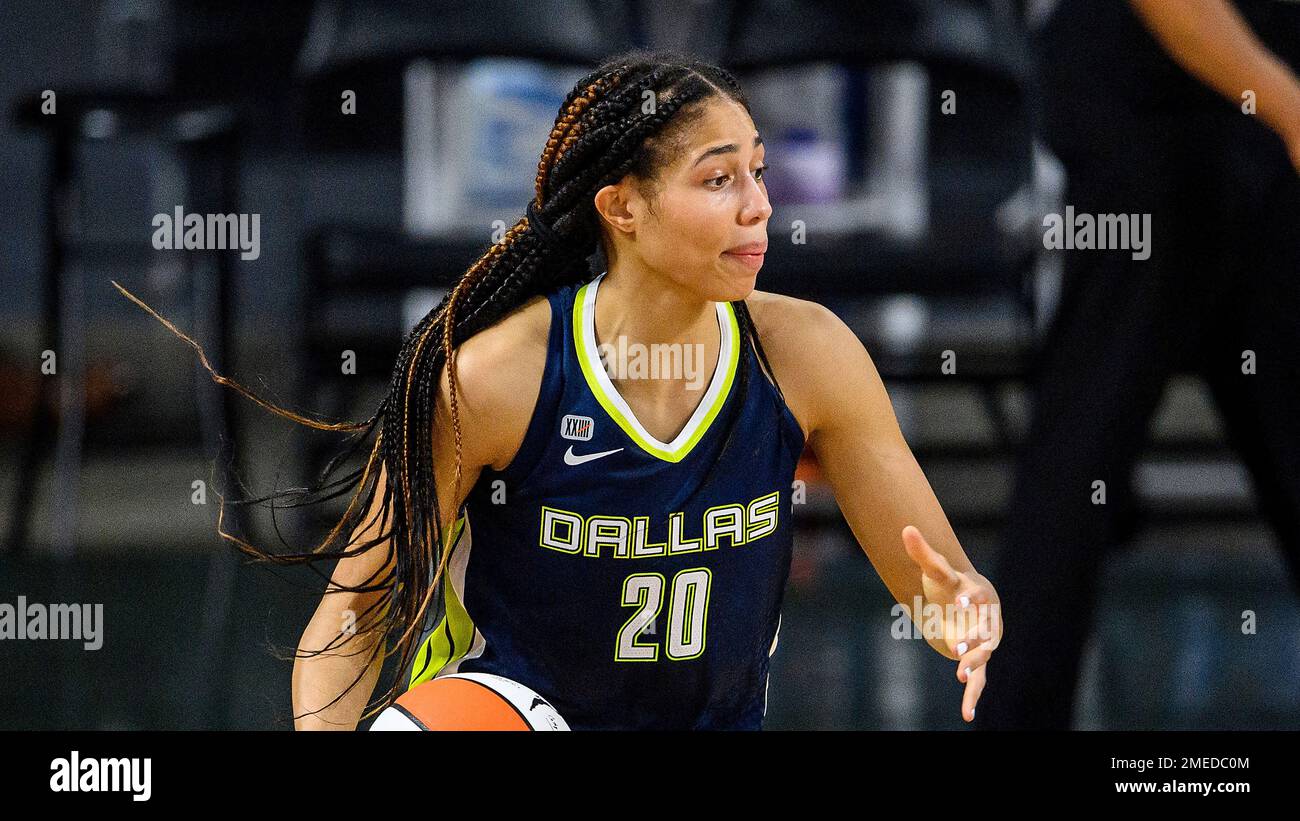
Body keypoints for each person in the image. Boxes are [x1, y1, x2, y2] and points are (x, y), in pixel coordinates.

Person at [119, 51, 1002, 730]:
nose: (760, 205)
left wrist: (964, 611)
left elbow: (937, 590)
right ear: (622, 208)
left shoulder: (807, 353)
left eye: (760, 172)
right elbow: (350, 614)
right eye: (719, 178)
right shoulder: (496, 379)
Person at [975, 0, 1300, 730]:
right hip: (1146, 99)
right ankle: (1015, 710)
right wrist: (1289, 108)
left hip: (1262, 88)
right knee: (1086, 430)